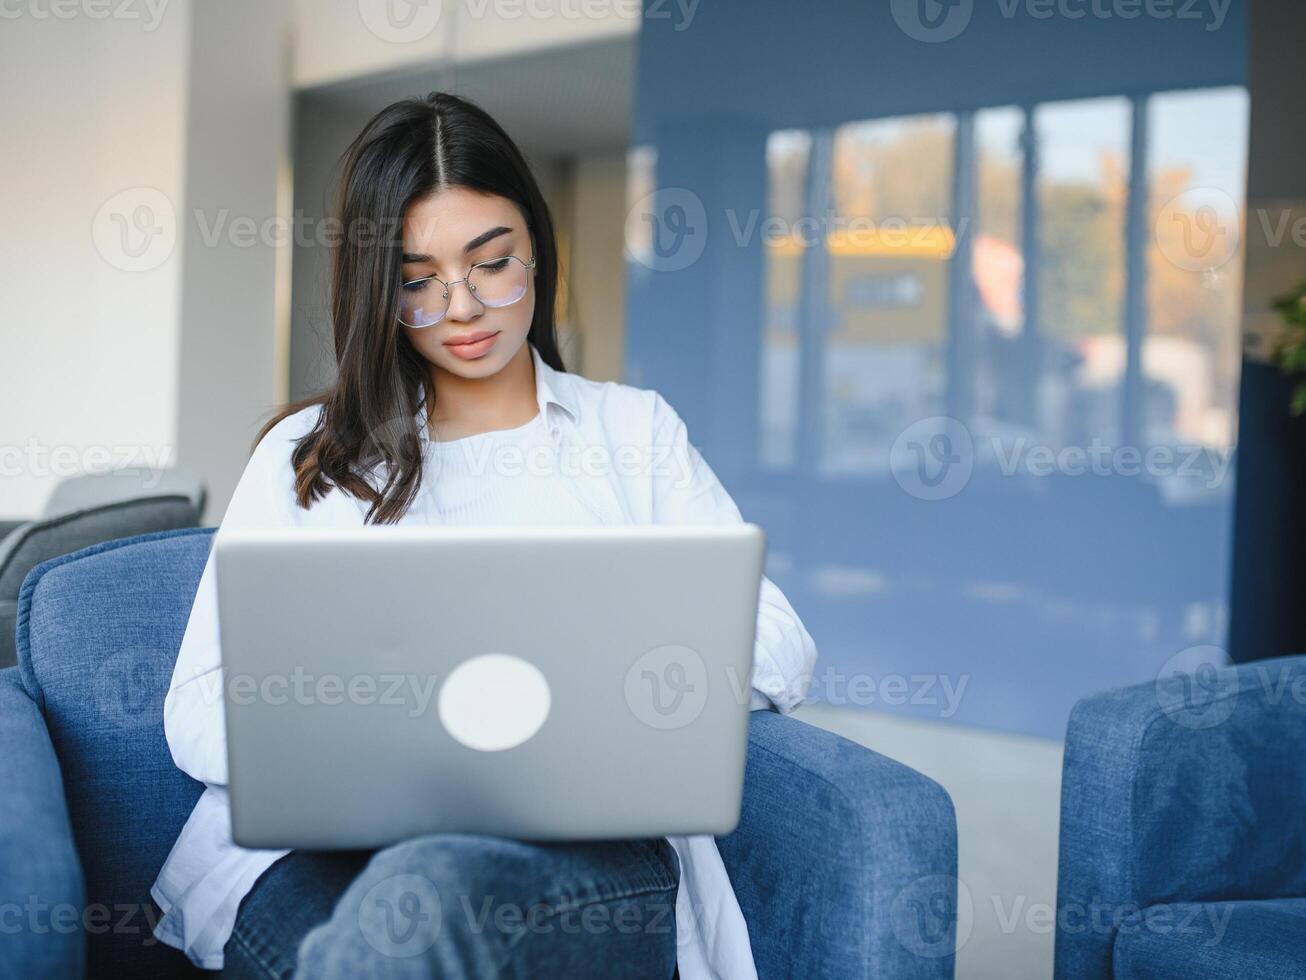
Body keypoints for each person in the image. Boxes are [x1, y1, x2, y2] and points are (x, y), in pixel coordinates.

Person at [149, 91, 818, 979]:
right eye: (417, 280)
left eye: (491, 262)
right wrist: (371, 740)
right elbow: (198, 709)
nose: (460, 308)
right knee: (398, 922)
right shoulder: (306, 457)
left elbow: (780, 642)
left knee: (425, 908)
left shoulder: (632, 433)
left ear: (536, 247)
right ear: (375, 291)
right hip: (319, 851)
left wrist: (607, 676)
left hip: (581, 844)